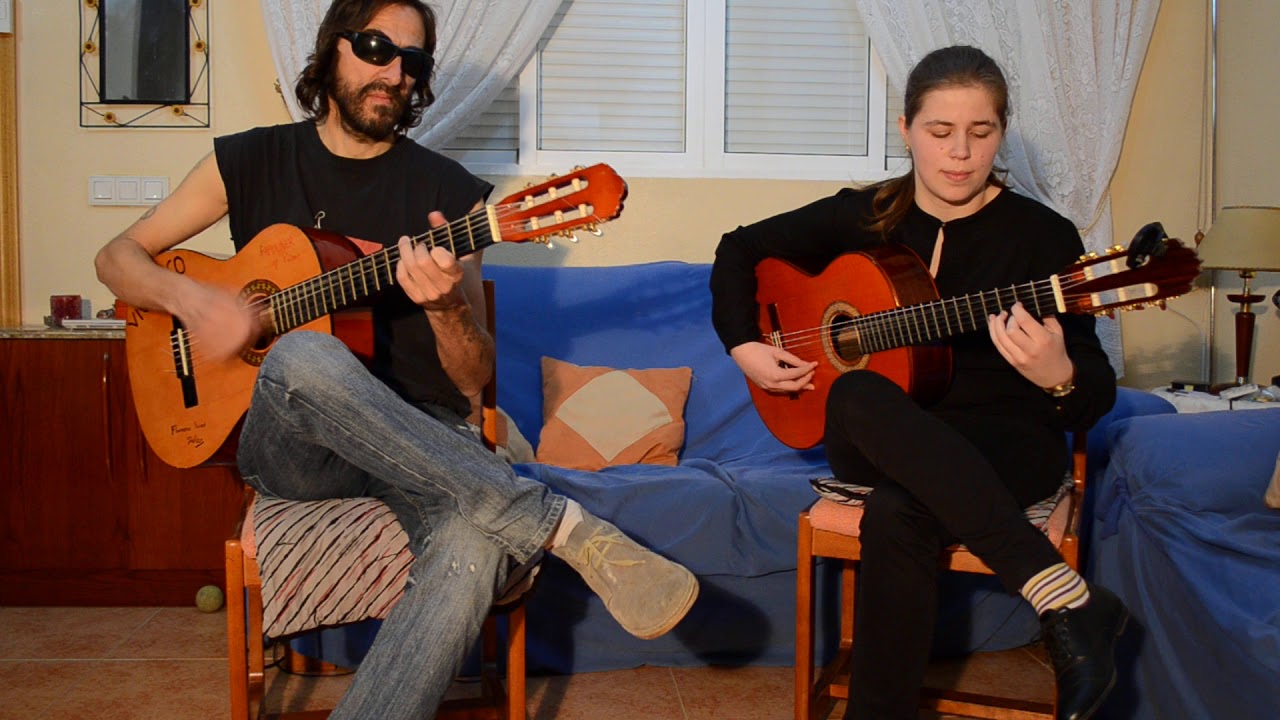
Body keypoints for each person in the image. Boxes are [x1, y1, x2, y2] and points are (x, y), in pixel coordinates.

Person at [94, 1, 698, 718]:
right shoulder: (249, 159)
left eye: (412, 61)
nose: (394, 72)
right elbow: (115, 257)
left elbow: (474, 383)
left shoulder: (448, 198)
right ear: (333, 48)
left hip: (425, 437)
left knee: (473, 541)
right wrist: (198, 306)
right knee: (305, 356)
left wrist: (445, 308)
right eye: (377, 47)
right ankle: (559, 525)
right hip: (295, 448)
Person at [710, 46, 1127, 720]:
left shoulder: (1044, 238)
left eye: (981, 132)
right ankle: (1067, 598)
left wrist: (1059, 376)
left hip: (1005, 444)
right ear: (905, 130)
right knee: (854, 393)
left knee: (897, 512)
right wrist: (744, 344)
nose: (960, 154)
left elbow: (1093, 395)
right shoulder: (866, 215)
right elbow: (739, 248)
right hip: (882, 431)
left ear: (1001, 132)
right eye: (940, 132)